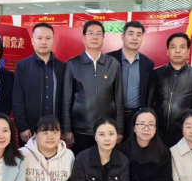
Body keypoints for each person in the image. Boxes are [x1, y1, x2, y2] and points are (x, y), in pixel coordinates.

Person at [63, 20, 124, 155]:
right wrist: (67, 129)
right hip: (80, 131)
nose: (95, 37)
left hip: (107, 130)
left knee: (106, 165)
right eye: (90, 33)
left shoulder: (113, 64)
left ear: (103, 38)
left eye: (98, 34)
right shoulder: (72, 64)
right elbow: (66, 100)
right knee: (82, 164)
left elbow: (119, 99)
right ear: (83, 38)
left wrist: (119, 129)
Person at [13, 23, 66, 145]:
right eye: (39, 38)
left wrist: (64, 128)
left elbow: (65, 99)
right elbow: (17, 98)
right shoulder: (22, 66)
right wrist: (22, 127)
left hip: (55, 130)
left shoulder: (62, 67)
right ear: (32, 41)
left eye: (48, 38)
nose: (43, 42)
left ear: (53, 41)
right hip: (30, 131)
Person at [150, 33, 192, 148]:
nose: (177, 51)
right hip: (158, 131)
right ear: (167, 51)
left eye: (182, 47)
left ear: (188, 51)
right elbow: (149, 102)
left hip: (183, 133)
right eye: (173, 47)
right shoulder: (156, 73)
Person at [107, 21, 155, 141]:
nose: (134, 38)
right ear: (123, 37)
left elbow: (148, 93)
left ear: (142, 38)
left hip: (136, 118)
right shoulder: (109, 59)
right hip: (111, 115)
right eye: (131, 34)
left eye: (139, 35)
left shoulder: (147, 63)